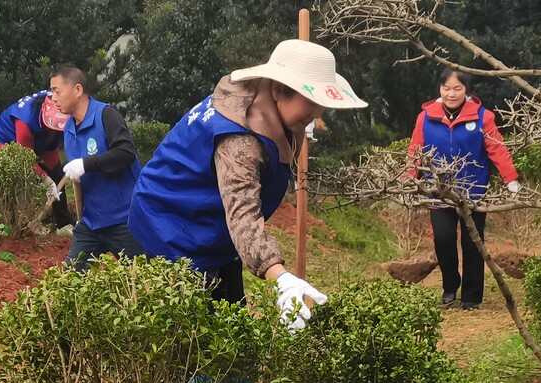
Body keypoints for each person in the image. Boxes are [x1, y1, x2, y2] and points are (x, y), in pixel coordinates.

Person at [129, 40, 365, 327]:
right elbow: (242, 212)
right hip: (170, 225)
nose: (318, 112)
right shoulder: (241, 140)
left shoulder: (263, 98)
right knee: (195, 341)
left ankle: (233, 373)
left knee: (233, 330)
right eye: (311, 102)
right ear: (278, 90)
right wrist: (280, 277)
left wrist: (301, 124)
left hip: (210, 226)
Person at [403, 70, 520, 311]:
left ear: (466, 90)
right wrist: (409, 180)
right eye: (446, 88)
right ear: (440, 89)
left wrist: (511, 179)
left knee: (473, 244)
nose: (451, 94)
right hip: (439, 192)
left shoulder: (482, 117)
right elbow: (415, 150)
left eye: (457, 89)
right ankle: (450, 286)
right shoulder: (425, 117)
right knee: (444, 239)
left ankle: (472, 297)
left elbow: (497, 149)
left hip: (473, 191)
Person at [48, 64, 144, 268]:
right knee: (71, 279)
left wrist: (85, 164)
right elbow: (78, 170)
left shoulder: (106, 115)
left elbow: (125, 153)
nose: (53, 98)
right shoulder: (69, 128)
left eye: (57, 91)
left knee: (144, 280)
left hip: (124, 220)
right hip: (91, 222)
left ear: (77, 90)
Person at [0, 87, 71, 230]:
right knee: (21, 179)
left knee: (58, 175)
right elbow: (26, 160)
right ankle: (17, 223)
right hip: (9, 140)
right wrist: (45, 178)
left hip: (43, 139)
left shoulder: (62, 101)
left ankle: (63, 223)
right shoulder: (25, 121)